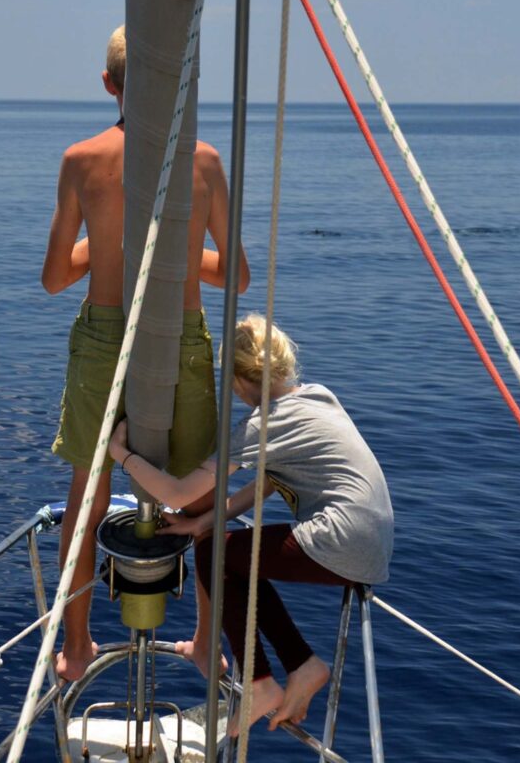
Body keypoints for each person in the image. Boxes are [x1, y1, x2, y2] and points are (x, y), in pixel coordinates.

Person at [42, 25, 250, 682]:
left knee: (89, 494)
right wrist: (184, 257)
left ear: (109, 85)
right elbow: (236, 276)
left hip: (104, 334)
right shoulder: (206, 162)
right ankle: (205, 641)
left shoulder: (82, 159)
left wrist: (108, 249)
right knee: (200, 498)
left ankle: (75, 647)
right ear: (183, 88)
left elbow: (53, 278)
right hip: (182, 335)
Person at [108, 314, 394, 735]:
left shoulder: (261, 426)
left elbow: (178, 492)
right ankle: (301, 665)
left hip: (341, 537)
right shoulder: (316, 396)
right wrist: (202, 521)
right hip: (371, 540)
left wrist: (122, 455)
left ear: (241, 382)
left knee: (214, 554)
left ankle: (260, 682)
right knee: (231, 555)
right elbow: (266, 485)